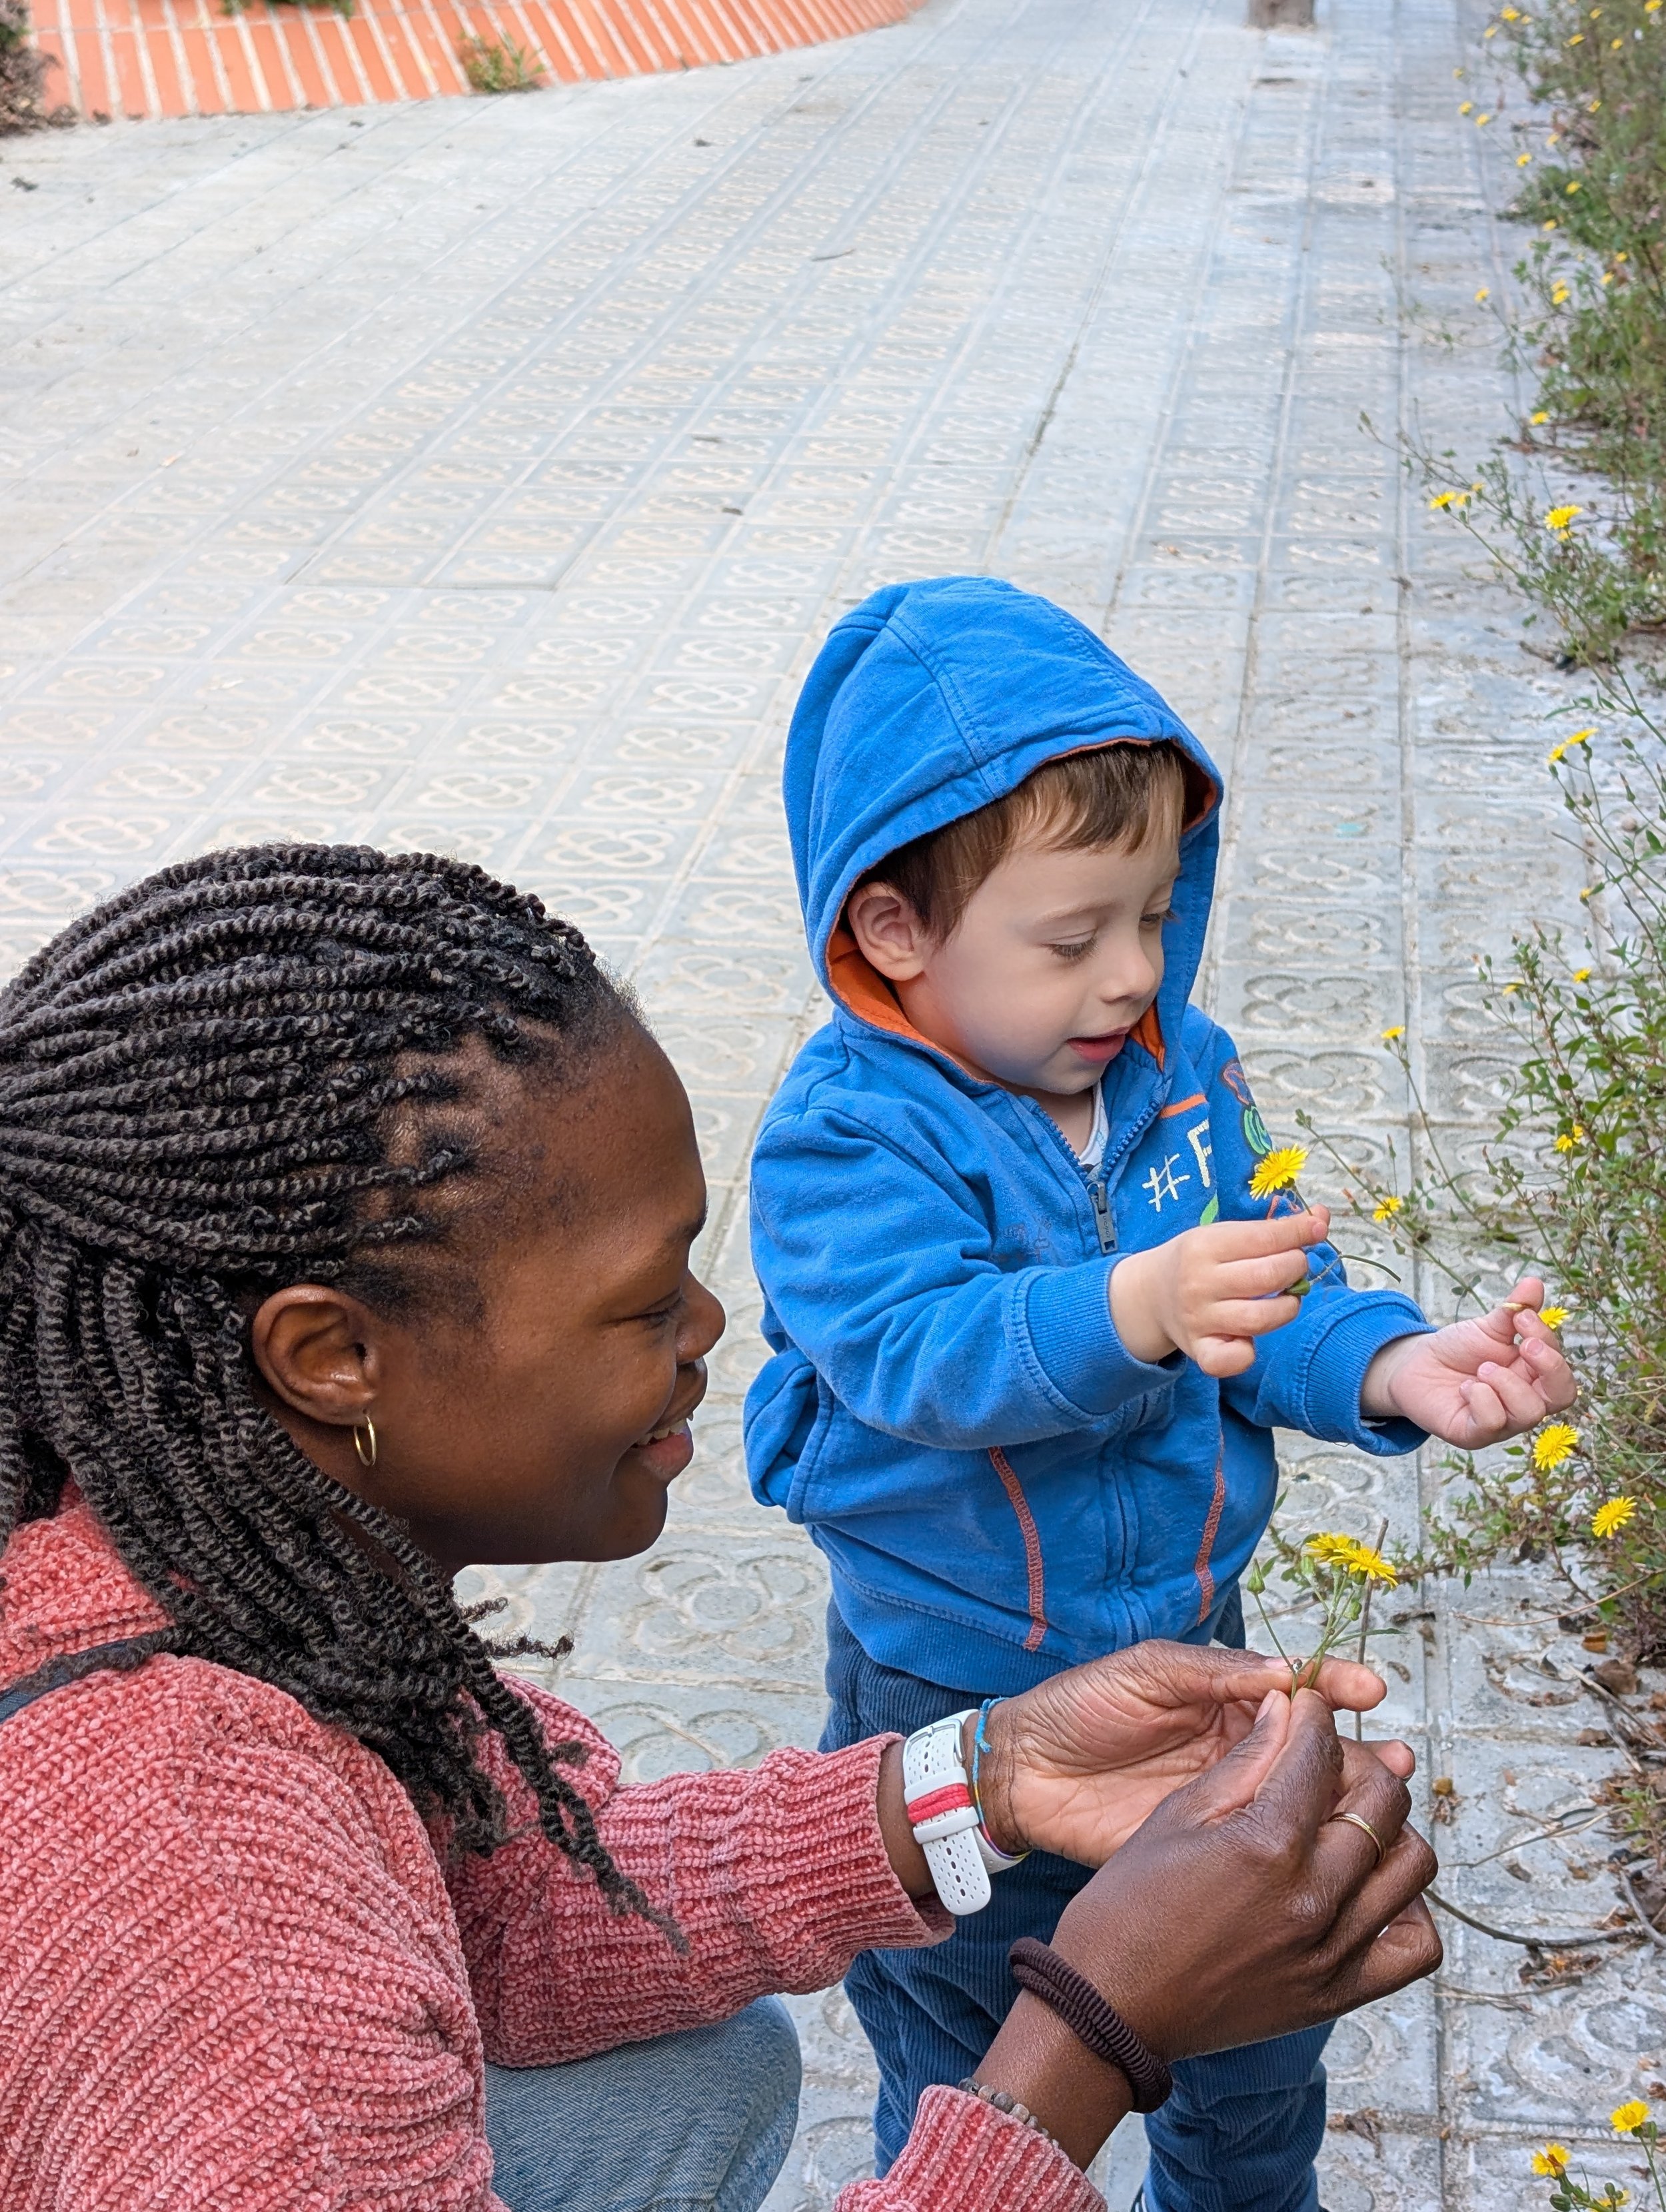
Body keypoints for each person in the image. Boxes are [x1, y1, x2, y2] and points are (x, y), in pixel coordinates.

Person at [0, 845, 1441, 2212]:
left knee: (691, 2072)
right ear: (329, 1356)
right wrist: (1090, 2027)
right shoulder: (211, 1904)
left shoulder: (237, 1574)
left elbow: (510, 1913)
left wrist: (988, 1776)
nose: (708, 1330)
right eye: (641, 1304)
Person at [744, 577, 1575, 2210]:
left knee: (1255, 2020)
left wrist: (1399, 1364)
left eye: (1152, 909)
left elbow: (1270, 1300)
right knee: (973, 2038)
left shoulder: (1174, 1068)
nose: (1128, 971)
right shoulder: (847, 1132)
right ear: (893, 927)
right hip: (949, 1694)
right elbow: (908, 1352)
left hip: (1201, 1656)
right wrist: (1125, 1303)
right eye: (1068, 938)